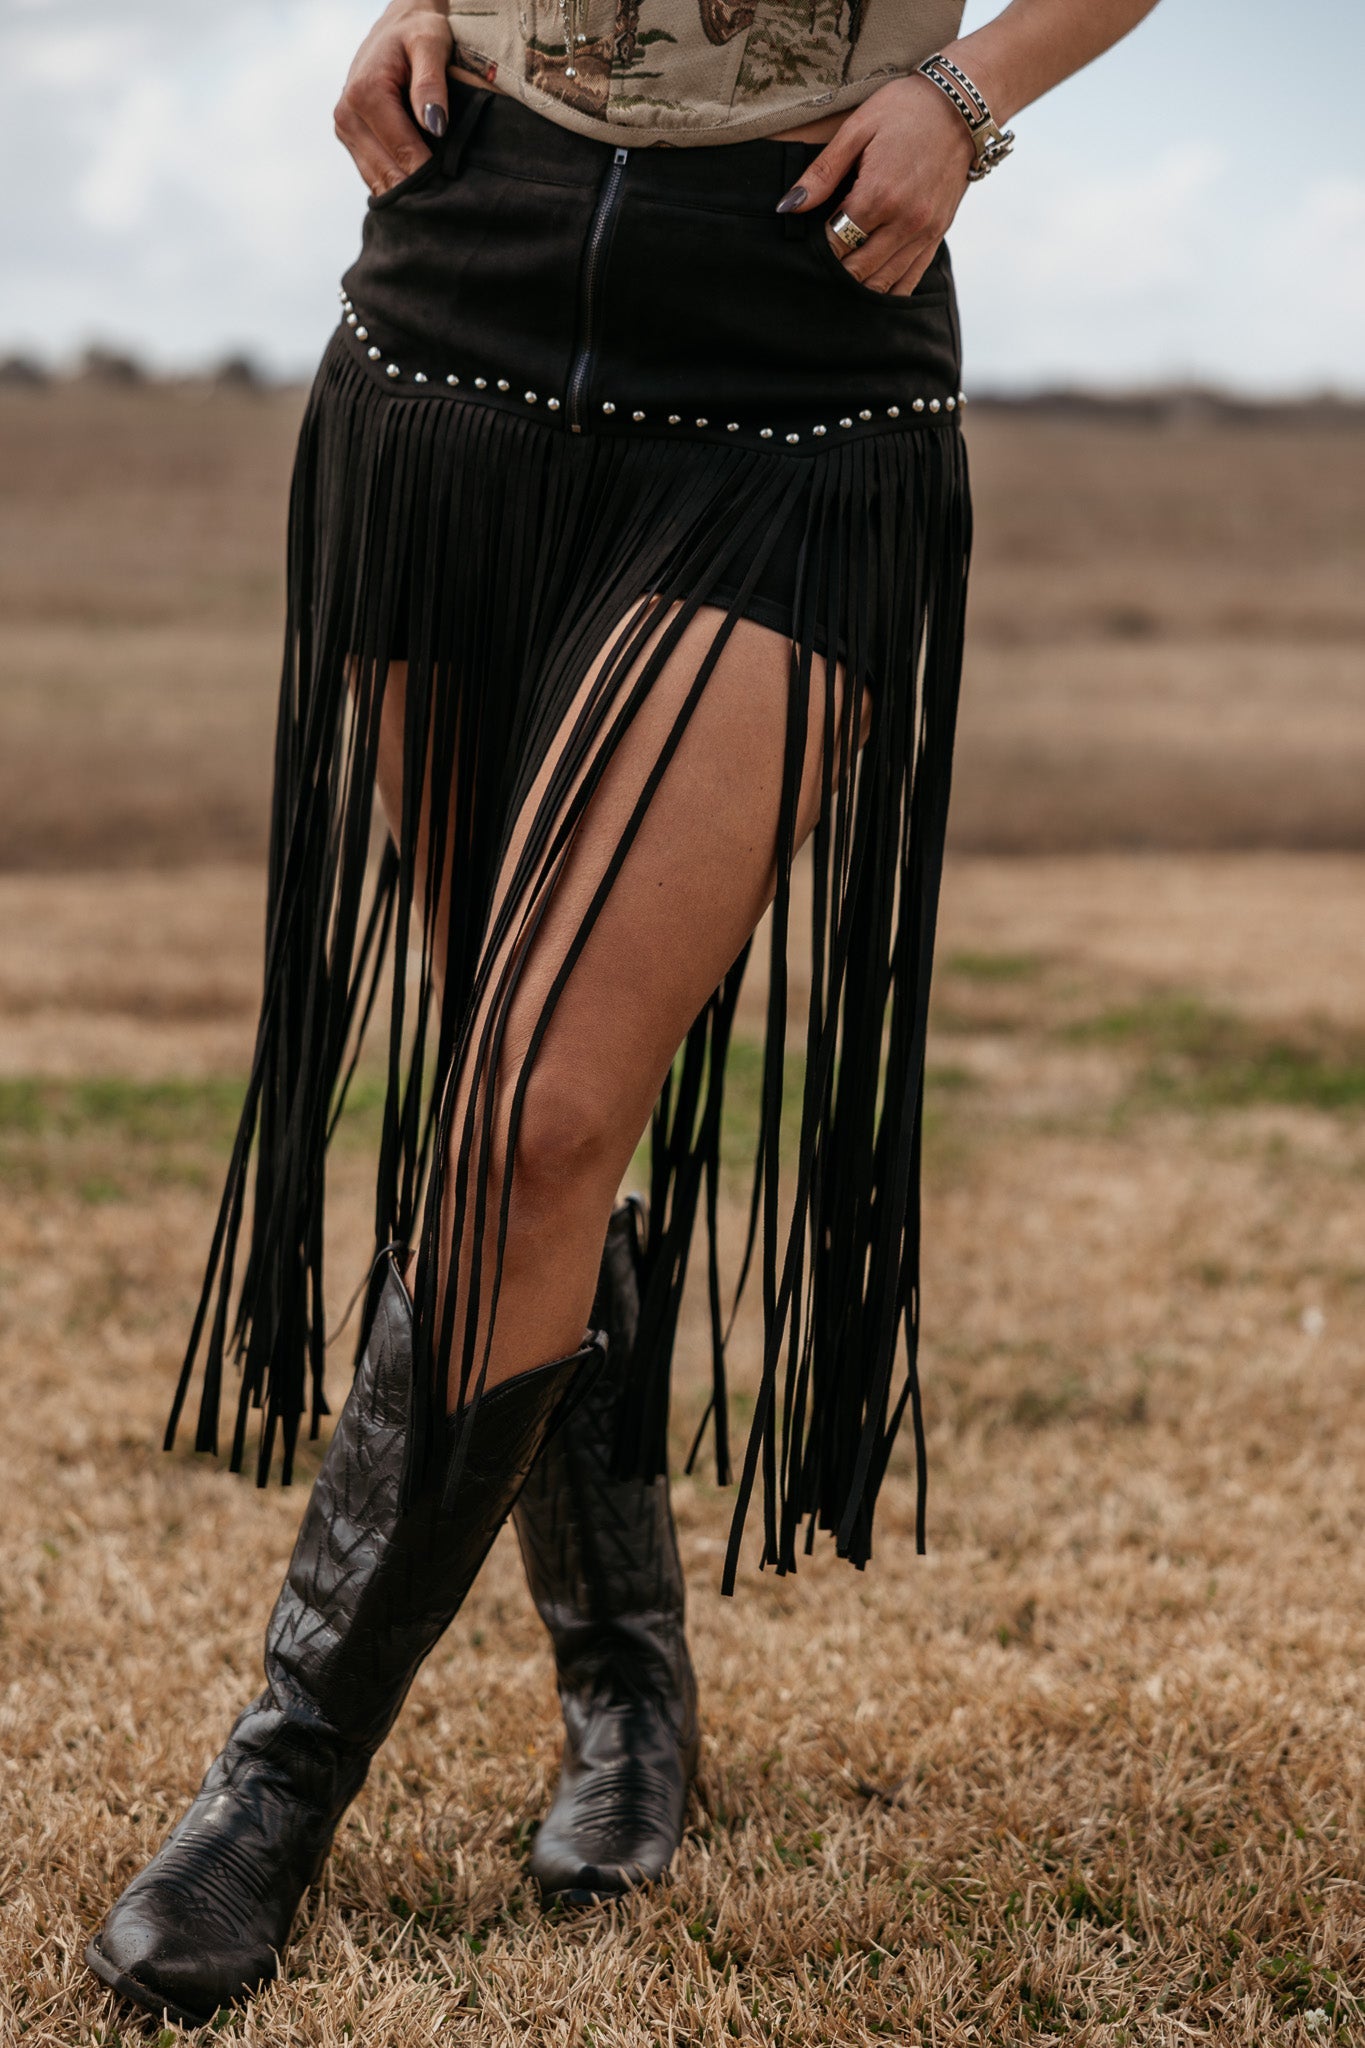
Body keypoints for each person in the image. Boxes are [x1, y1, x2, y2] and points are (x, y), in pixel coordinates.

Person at [85, 0, 1162, 2025]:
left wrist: (968, 97)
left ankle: (277, 1783)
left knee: (537, 1112)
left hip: (789, 351)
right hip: (457, 302)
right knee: (511, 1099)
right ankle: (626, 1682)